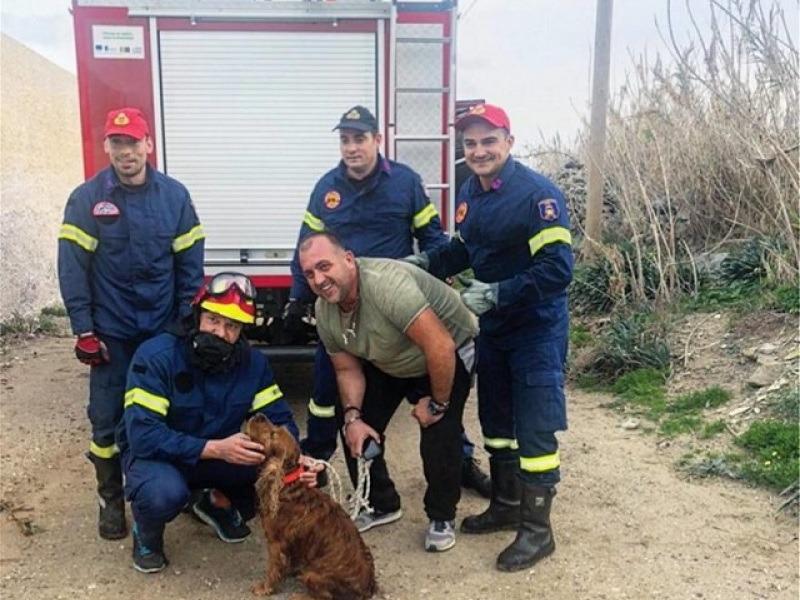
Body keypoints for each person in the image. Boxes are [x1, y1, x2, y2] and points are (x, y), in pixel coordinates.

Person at [285, 104, 490, 498]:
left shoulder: (406, 183)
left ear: (378, 140)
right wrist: (298, 300)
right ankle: (316, 464)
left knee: (433, 390)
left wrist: (436, 280)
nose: (351, 148)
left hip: (395, 310)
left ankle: (460, 460)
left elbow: (431, 237)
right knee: (327, 391)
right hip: (343, 309)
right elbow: (305, 248)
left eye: (359, 139)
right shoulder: (325, 188)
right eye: (345, 140)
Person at [404, 103, 573, 572]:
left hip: (535, 327)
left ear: (509, 142)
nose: (478, 151)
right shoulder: (469, 191)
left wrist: (499, 292)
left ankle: (538, 532)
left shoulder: (538, 195)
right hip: (494, 329)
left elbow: (558, 269)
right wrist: (427, 264)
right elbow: (465, 248)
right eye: (470, 143)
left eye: (488, 141)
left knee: (535, 426)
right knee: (496, 423)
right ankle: (505, 504)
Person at [57, 107, 205, 541]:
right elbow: (72, 266)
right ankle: (110, 499)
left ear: (148, 145)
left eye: (133, 142)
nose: (126, 152)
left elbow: (189, 263)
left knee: (169, 413)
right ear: (107, 147)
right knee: (107, 420)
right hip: (112, 335)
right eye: (117, 143)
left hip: (160, 332)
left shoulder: (174, 197)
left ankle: (175, 492)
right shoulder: (86, 199)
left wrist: (184, 320)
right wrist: (83, 328)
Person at [117, 273, 321, 573]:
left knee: (272, 472)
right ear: (197, 315)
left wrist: (296, 459)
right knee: (163, 494)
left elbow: (279, 420)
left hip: (218, 453)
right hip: (159, 457)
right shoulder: (156, 356)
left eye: (232, 326)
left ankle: (217, 502)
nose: (220, 332)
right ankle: (146, 534)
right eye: (213, 319)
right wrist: (213, 448)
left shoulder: (252, 364)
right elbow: (142, 436)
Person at [298, 232, 478, 552]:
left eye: (324, 266)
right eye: (310, 273)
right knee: (352, 418)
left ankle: (441, 515)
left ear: (349, 260)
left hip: (444, 355)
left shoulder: (386, 285)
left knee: (439, 429)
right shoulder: (325, 311)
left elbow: (440, 345)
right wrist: (353, 417)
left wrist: (437, 404)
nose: (319, 279)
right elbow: (346, 369)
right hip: (391, 356)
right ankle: (380, 503)